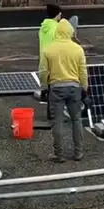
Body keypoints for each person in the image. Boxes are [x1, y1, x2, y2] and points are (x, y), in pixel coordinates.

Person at [38, 19, 88, 163]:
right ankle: (78, 152)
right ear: (70, 32)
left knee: (57, 121)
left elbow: (43, 71)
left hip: (56, 88)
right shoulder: (78, 49)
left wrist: (45, 86)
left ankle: (59, 154)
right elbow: (82, 71)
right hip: (74, 88)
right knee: (76, 120)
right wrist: (84, 88)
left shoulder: (48, 49)